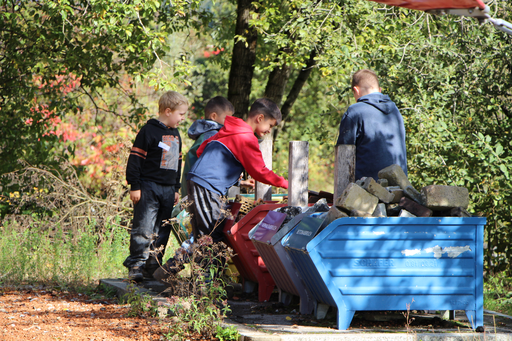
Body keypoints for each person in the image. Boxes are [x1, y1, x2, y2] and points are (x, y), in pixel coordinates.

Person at [187, 98, 288, 243]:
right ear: (260, 118)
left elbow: (201, 149)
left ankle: (172, 266)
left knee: (201, 239)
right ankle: (203, 266)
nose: (269, 131)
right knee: (213, 239)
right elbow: (259, 171)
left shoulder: (230, 129)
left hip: (195, 179)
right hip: (209, 186)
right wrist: (286, 183)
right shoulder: (246, 137)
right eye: (270, 125)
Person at [124, 90, 188, 282]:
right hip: (148, 187)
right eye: (181, 114)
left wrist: (176, 188)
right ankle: (136, 263)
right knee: (144, 226)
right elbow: (135, 160)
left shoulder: (176, 134)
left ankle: (153, 263)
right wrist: (135, 185)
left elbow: (177, 163)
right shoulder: (148, 131)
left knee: (163, 227)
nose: (182, 119)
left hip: (168, 190)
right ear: (168, 111)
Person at [336, 69, 407, 180]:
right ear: (379, 90)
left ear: (356, 90)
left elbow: (343, 154)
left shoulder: (355, 111)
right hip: (398, 187)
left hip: (367, 189)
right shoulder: (395, 112)